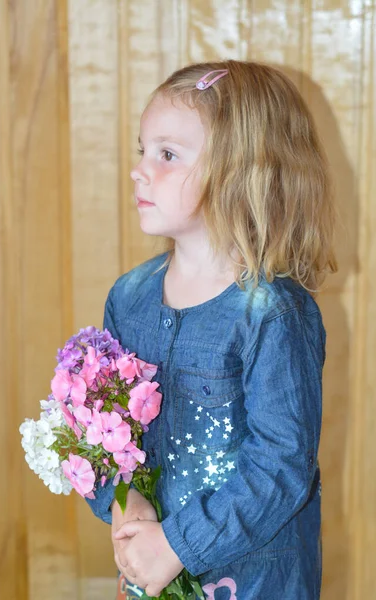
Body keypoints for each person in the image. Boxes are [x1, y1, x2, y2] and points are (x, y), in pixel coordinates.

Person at [86, 60, 338, 599]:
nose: (139, 169)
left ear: (239, 174)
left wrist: (176, 546)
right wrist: (123, 503)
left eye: (168, 155)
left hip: (254, 582)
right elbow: (104, 433)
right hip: (148, 575)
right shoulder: (128, 298)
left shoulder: (271, 314)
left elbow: (280, 467)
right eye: (143, 149)